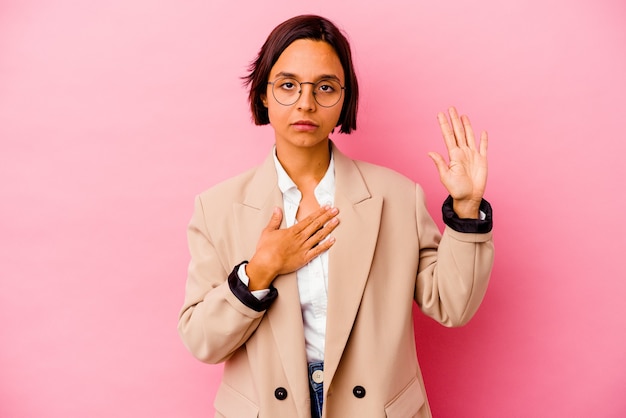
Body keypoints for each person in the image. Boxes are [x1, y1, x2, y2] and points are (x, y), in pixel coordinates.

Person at [178, 14, 494, 418]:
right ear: (263, 94)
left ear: (344, 98)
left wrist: (466, 210)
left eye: (324, 87)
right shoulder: (217, 207)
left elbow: (453, 305)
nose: (306, 103)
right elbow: (201, 341)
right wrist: (259, 270)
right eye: (288, 85)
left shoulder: (396, 196)